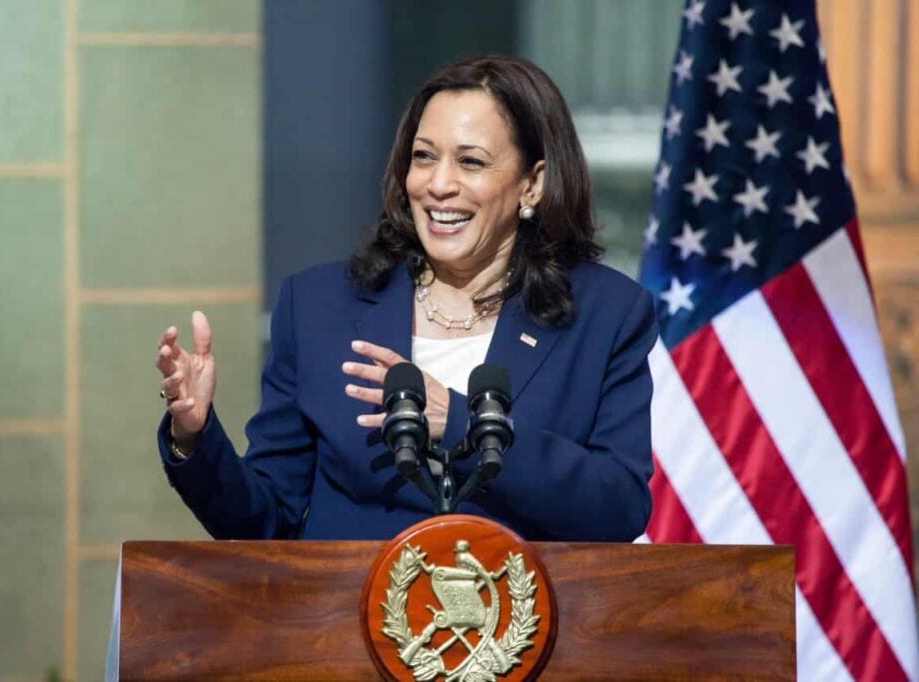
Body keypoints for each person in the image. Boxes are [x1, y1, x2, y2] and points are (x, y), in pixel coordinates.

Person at [154, 55, 657, 542]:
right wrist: (195, 436)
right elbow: (265, 520)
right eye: (424, 157)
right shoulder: (318, 307)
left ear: (532, 184)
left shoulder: (605, 314)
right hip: (350, 601)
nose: (439, 185)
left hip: (525, 599)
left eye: (470, 162)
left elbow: (618, 508)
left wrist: (457, 424)